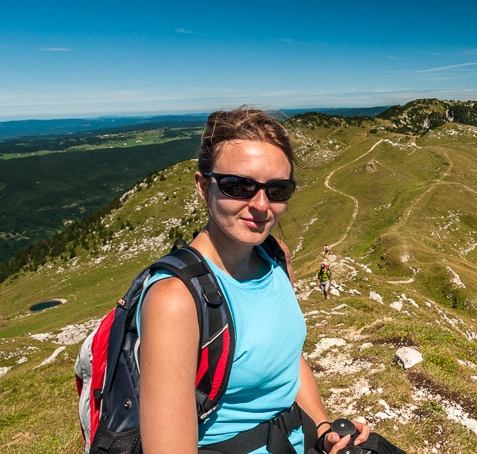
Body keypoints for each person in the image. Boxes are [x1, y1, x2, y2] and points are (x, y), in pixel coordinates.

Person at [136, 107, 370, 453]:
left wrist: (323, 431)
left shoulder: (276, 256)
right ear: (203, 186)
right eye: (238, 186)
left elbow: (288, 360)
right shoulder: (175, 299)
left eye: (277, 190)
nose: (261, 205)